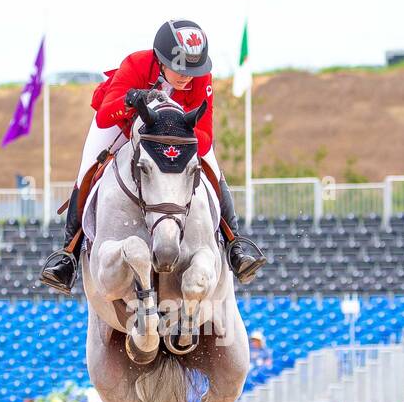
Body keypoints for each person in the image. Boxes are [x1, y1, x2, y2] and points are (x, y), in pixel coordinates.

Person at [39, 20, 266, 294]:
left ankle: (235, 244)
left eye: (192, 70)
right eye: (179, 68)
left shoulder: (200, 78)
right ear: (160, 59)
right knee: (87, 170)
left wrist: (177, 129)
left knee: (212, 168)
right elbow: (104, 115)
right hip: (124, 125)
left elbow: (204, 136)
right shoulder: (136, 64)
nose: (186, 77)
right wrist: (129, 100)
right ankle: (68, 256)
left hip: (175, 134)